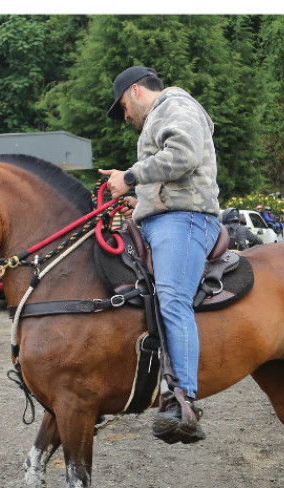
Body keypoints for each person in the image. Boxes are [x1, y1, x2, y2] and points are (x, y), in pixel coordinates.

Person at [99, 65, 220, 443]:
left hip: (184, 221)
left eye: (122, 108)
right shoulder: (161, 113)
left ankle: (181, 399)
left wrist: (131, 176)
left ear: (135, 91)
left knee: (171, 299)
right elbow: (169, 179)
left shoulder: (174, 105)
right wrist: (140, 197)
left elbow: (183, 155)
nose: (125, 118)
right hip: (162, 218)